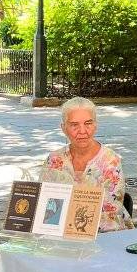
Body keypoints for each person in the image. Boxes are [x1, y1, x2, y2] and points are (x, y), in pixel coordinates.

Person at [42, 97, 128, 232]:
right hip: (59, 232)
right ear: (63, 128)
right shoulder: (54, 160)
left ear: (95, 125)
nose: (82, 131)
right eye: (74, 125)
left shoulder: (110, 161)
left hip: (105, 234)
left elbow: (110, 213)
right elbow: (45, 203)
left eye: (88, 123)